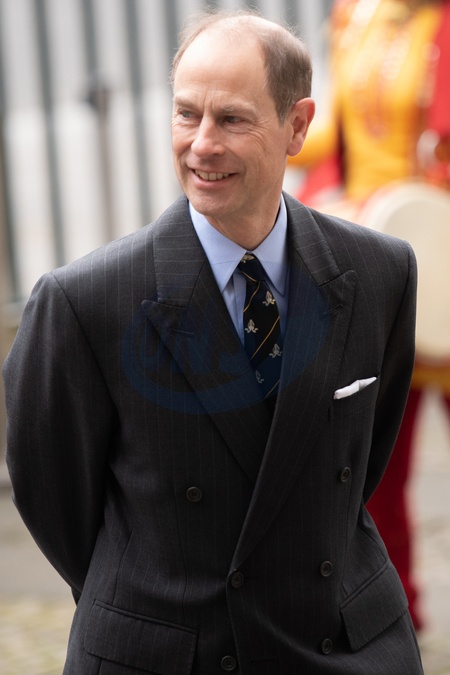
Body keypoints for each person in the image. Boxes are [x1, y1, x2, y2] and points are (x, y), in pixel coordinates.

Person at [3, 10, 423, 674]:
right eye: (186, 114)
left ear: (297, 125)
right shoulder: (84, 302)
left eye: (231, 119)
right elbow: (53, 499)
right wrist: (152, 601)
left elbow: (362, 464)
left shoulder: (381, 271)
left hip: (343, 644)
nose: (201, 145)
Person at [288, 0, 450, 632]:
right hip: (384, 260)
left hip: (441, 247)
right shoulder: (355, 14)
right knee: (372, 462)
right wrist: (272, 131)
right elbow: (339, 139)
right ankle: (392, 617)